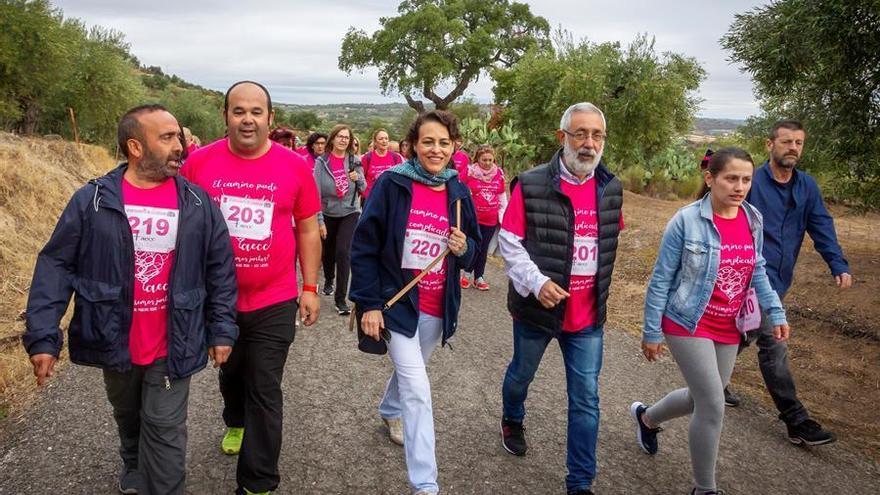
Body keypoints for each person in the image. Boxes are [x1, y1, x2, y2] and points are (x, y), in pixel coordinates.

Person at [23, 104, 238, 495]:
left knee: (166, 429)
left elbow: (220, 270)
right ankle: (133, 462)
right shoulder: (92, 201)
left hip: (173, 341)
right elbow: (56, 265)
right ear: (136, 147)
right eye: (167, 138)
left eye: (179, 136)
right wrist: (43, 335)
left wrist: (222, 328)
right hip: (114, 338)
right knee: (128, 415)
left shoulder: (197, 204)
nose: (180, 147)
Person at [182, 81, 322, 495]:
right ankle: (234, 420)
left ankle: (258, 481)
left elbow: (308, 228)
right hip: (217, 300)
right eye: (238, 111)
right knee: (232, 373)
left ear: (270, 118)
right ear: (226, 115)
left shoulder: (295, 166)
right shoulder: (199, 163)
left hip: (275, 297)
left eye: (256, 112)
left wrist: (310, 286)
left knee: (264, 383)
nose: (247, 119)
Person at [633, 147, 790, 495]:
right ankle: (704, 488)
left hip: (730, 325)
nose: (739, 186)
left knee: (702, 397)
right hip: (688, 321)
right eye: (731, 178)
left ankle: (647, 418)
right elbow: (661, 279)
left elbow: (758, 269)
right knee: (713, 404)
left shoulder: (752, 219)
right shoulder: (686, 221)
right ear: (710, 178)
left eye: (746, 179)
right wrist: (651, 330)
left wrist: (775, 311)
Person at [349, 110, 480, 495]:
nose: (436, 149)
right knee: (419, 390)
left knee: (415, 370)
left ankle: (389, 410)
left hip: (439, 309)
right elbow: (364, 246)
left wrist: (465, 247)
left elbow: (474, 256)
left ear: (454, 147)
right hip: (398, 306)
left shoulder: (459, 191)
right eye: (428, 141)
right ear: (413, 146)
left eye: (443, 142)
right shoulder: (392, 185)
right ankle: (425, 485)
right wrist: (369, 303)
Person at [498, 102, 623, 495]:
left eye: (596, 135)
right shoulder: (531, 183)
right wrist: (536, 282)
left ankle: (580, 482)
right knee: (522, 374)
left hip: (587, 318)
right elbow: (509, 242)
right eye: (580, 134)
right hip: (538, 310)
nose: (588, 144)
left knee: (586, 398)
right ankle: (512, 417)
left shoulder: (611, 188)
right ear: (562, 137)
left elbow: (605, 245)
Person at [725, 119, 852, 446]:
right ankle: (796, 419)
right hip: (746, 275)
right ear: (770, 145)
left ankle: (714, 377)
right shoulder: (752, 181)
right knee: (774, 341)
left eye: (798, 142)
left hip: (779, 279)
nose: (793, 148)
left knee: (743, 332)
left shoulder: (807, 186)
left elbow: (821, 225)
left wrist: (837, 263)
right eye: (786, 142)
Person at [314, 124, 365, 315]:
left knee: (343, 251)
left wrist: (357, 178)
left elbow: (364, 186)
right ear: (333, 139)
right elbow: (315, 193)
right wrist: (319, 221)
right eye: (340, 136)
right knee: (328, 251)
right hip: (328, 212)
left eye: (347, 137)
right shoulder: (322, 162)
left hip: (350, 211)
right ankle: (328, 278)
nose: (344, 140)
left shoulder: (355, 160)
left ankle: (340, 299)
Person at [461, 144, 507, 290]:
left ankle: (479, 277)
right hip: (473, 219)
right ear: (477, 159)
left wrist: (503, 216)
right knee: (472, 246)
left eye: (490, 160)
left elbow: (502, 197)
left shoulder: (499, 174)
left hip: (491, 219)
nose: (487, 163)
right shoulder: (469, 172)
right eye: (484, 160)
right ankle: (466, 274)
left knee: (483, 248)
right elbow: (459, 189)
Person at [361, 128, 405, 199]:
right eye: (381, 139)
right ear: (375, 142)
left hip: (390, 198)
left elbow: (400, 178)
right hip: (371, 198)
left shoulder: (396, 157)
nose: (384, 141)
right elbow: (361, 178)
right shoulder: (367, 158)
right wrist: (366, 194)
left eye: (386, 138)